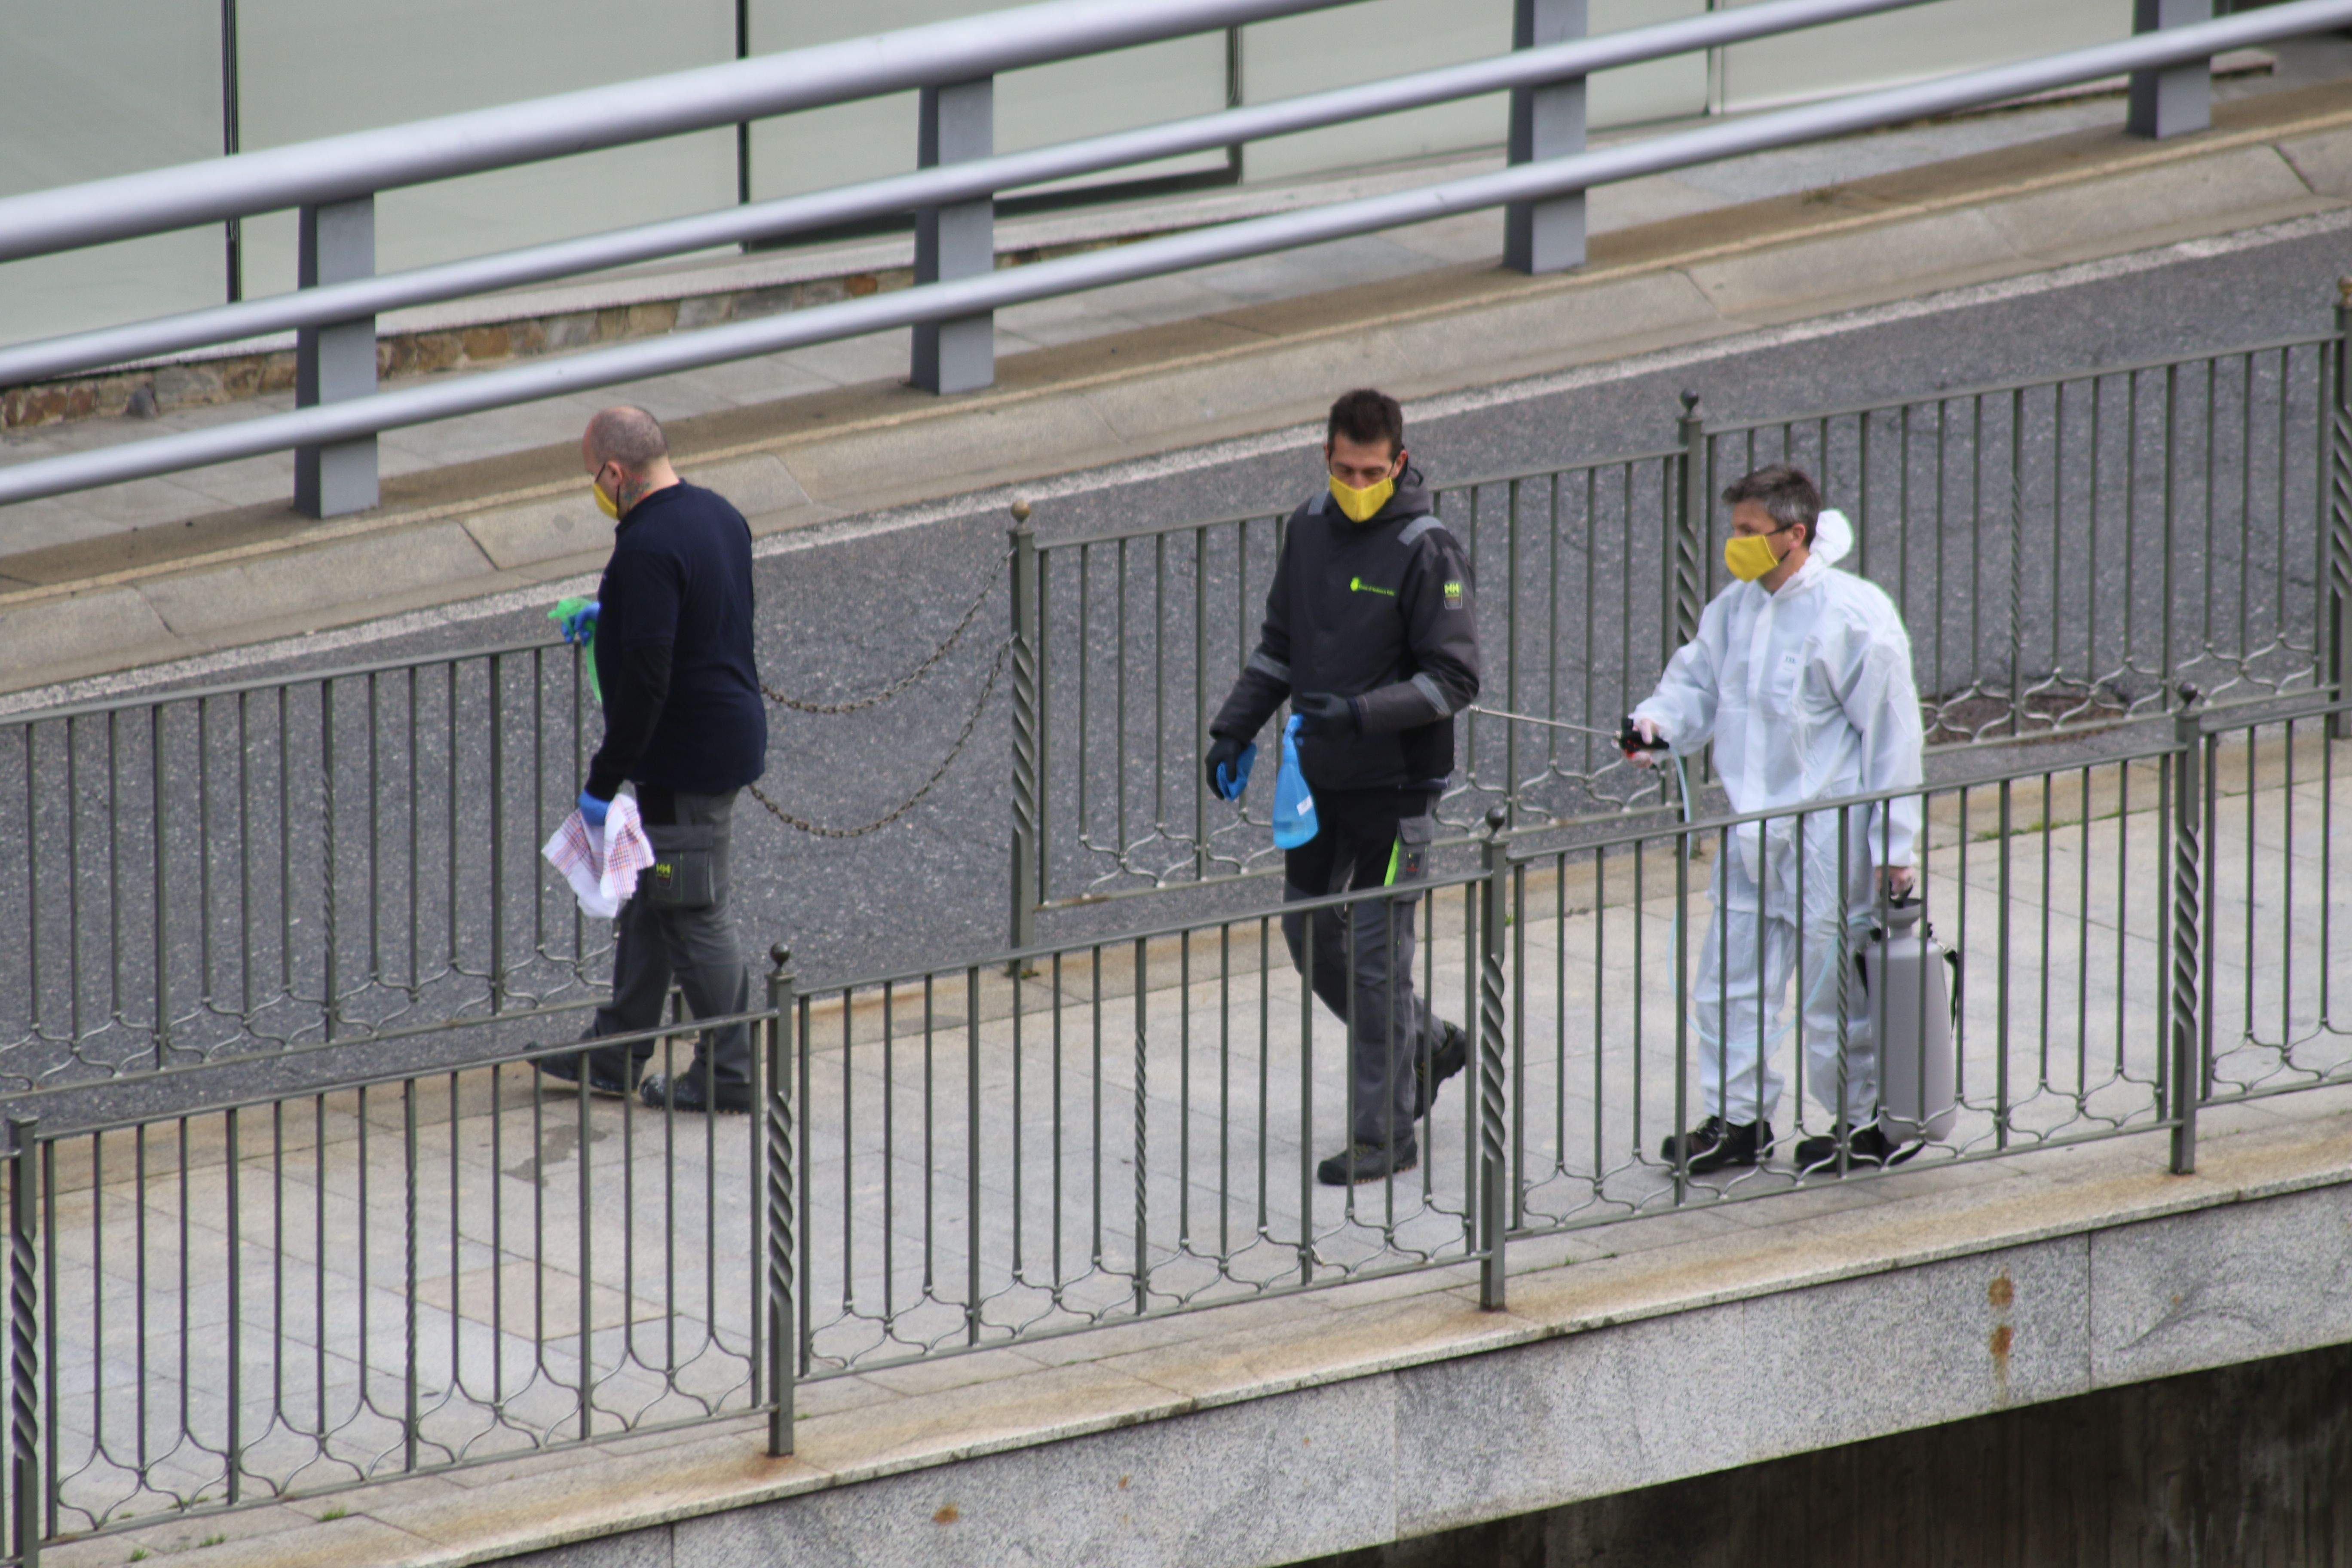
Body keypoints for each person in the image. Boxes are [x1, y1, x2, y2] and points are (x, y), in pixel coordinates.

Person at [1204, 389, 1481, 1187]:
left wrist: (1360, 713)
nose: (1358, 482)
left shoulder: (1429, 551)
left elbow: (1454, 679)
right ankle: (1426, 1045)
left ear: (1398, 463)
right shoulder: (1307, 529)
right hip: (1317, 791)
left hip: (1397, 796)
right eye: (1344, 468)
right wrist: (1236, 726)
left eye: (1372, 470)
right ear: (1325, 457)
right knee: (1311, 941)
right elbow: (1280, 647)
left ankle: (1384, 1134)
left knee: (1371, 962)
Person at [1627, 464, 1923, 1175]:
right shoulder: (1735, 610)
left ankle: (1868, 1124)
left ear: (1796, 535)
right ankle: (1737, 1120)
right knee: (1729, 978)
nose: (1738, 547)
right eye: (1735, 532)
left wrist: (1895, 844)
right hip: (1753, 830)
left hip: (1831, 836)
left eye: (1750, 533)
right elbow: (1696, 684)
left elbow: (1894, 735)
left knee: (1836, 990)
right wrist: (1656, 725)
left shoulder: (1855, 616)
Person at [537, 406, 769, 1114]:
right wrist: (619, 618)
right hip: (725, 732)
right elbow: (703, 614)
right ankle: (615, 1054)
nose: (596, 491)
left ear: (615, 472)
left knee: (693, 910)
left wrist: (602, 782)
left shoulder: (642, 550)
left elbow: (645, 686)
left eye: (593, 478)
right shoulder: (718, 515)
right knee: (651, 896)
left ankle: (728, 1071)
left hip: (686, 756)